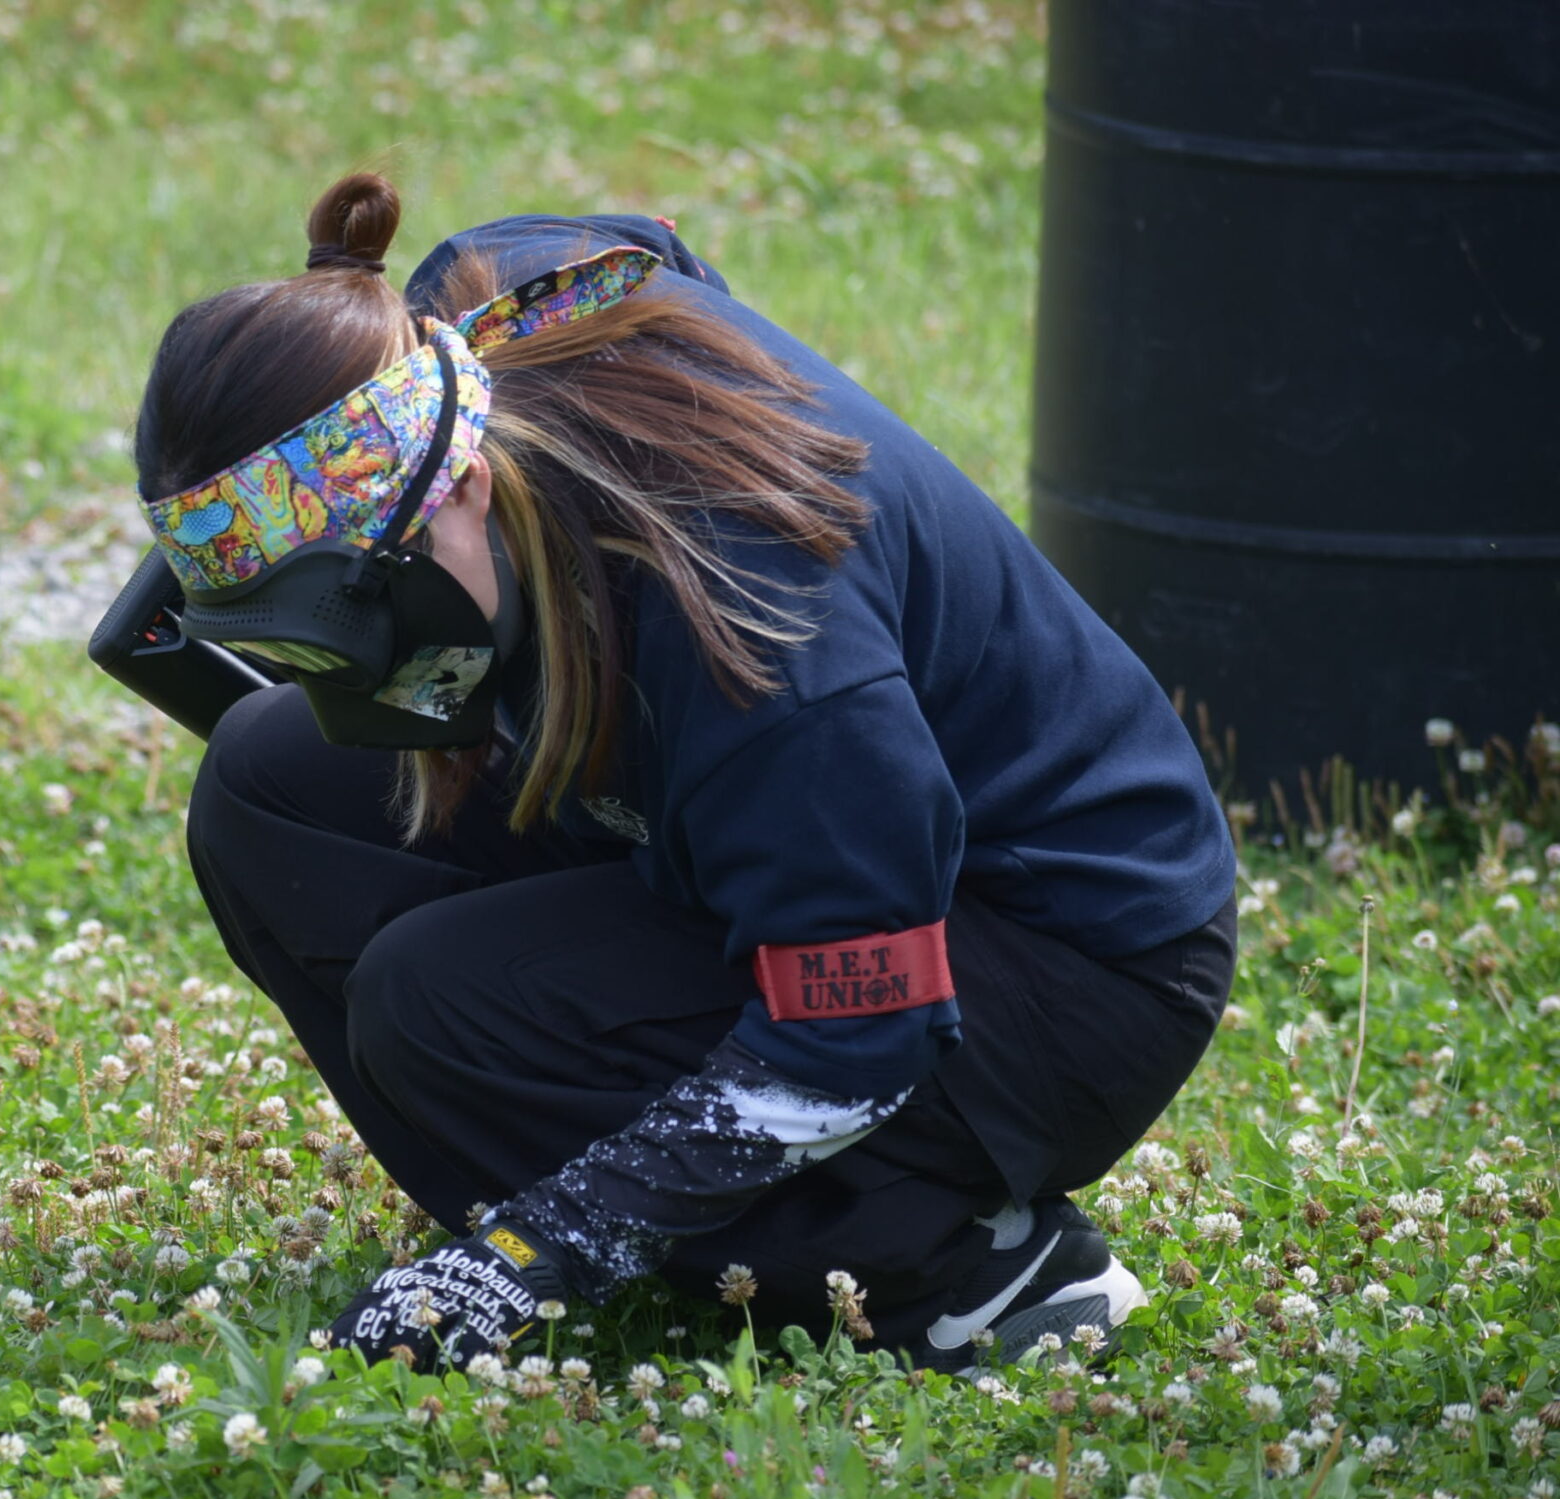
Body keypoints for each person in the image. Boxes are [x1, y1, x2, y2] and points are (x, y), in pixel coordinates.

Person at [130, 172, 1237, 1375]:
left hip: (1062, 962)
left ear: (466, 486)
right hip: (810, 820)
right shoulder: (485, 309)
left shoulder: (753, 637)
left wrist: (543, 1247)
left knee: (435, 1001)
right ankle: (662, 1211)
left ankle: (951, 1267)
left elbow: (863, 1024)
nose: (353, 676)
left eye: (349, 631)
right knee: (265, 783)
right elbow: (652, 251)